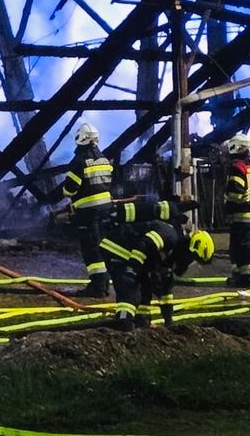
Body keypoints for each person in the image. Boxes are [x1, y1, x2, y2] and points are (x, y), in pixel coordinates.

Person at [100, 219, 215, 330]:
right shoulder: (170, 236)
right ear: (189, 249)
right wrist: (133, 269)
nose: (189, 263)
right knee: (131, 293)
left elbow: (166, 292)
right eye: (192, 258)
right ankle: (122, 327)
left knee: (145, 290)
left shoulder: (170, 259)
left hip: (132, 257)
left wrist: (168, 323)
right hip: (118, 249)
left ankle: (142, 324)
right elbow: (145, 243)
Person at [61, 122, 113, 297]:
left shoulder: (78, 161)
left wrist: (69, 194)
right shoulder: (105, 160)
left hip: (88, 213)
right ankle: (104, 284)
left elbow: (70, 189)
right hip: (106, 210)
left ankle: (97, 288)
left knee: (91, 248)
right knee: (103, 246)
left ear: (80, 139)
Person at [223, 133, 250, 288]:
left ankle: (248, 278)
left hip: (239, 215)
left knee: (241, 248)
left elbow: (235, 193)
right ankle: (240, 276)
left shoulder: (237, 168)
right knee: (240, 247)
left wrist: (226, 203)